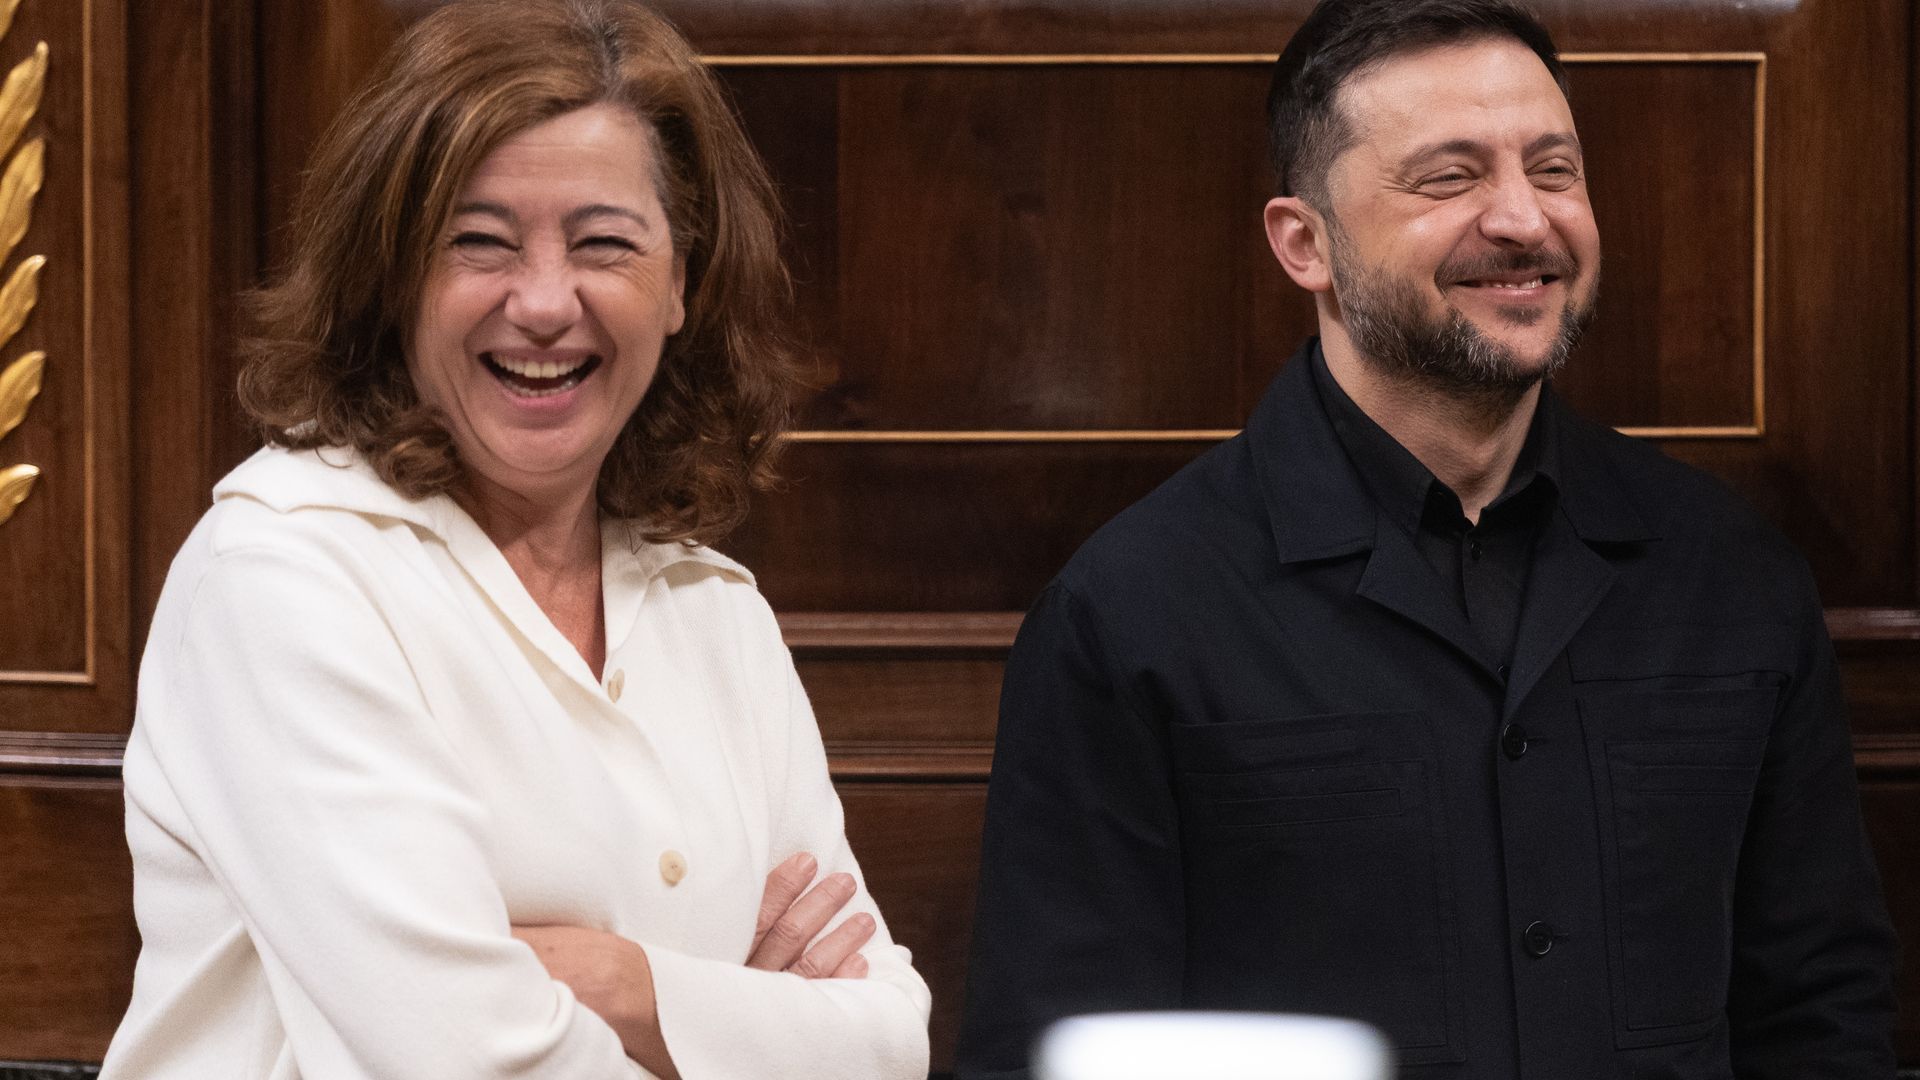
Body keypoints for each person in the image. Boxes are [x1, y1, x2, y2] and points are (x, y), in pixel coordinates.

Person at [955, 1, 1897, 1077]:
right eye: (1450, 178)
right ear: (1304, 243)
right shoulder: (1128, 613)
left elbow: (1821, 1015)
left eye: (1553, 169)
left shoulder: (1733, 574)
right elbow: (1062, 1050)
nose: (1523, 220)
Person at [99, 2, 930, 1077]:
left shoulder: (714, 610)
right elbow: (474, 1063)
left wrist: (624, 985)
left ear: (680, 284)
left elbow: (887, 1037)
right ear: (392, 279)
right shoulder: (282, 580)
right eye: (479, 243)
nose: (543, 303)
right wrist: (733, 1028)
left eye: (605, 244)